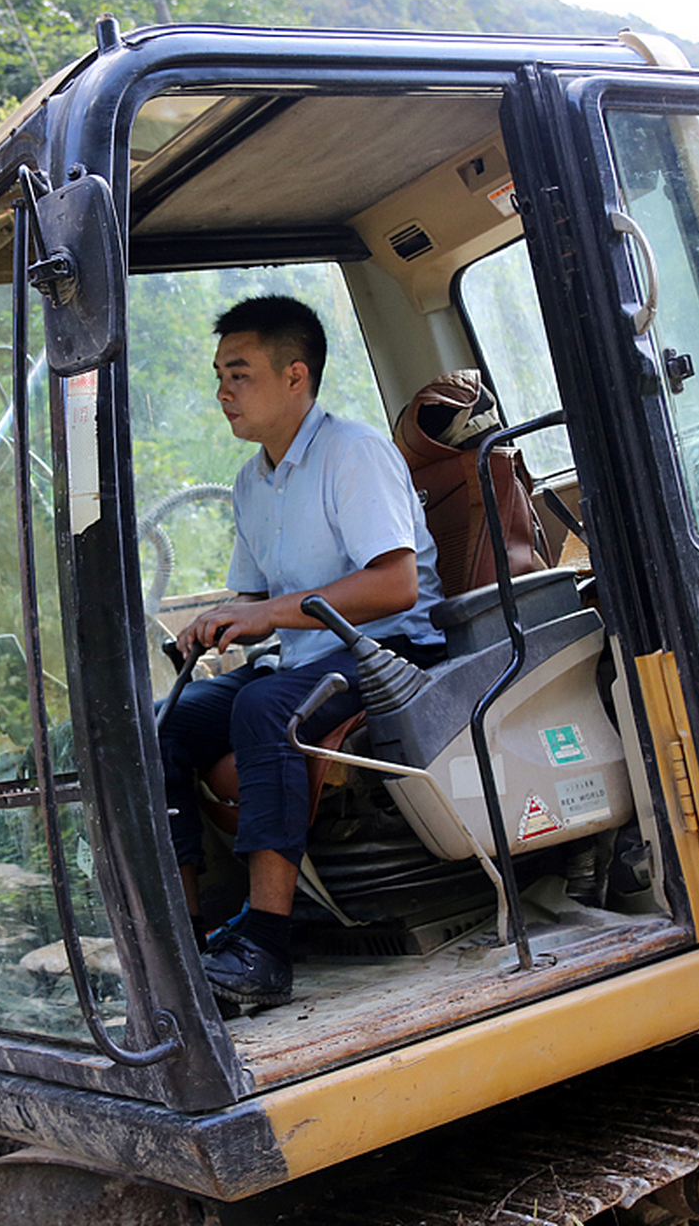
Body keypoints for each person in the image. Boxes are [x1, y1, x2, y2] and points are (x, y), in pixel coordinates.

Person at [160, 295, 444, 1008]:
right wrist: (221, 621)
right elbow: (259, 601)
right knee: (164, 722)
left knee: (264, 707)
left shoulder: (352, 452)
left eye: (238, 374)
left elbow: (395, 584)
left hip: (386, 653)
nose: (221, 392)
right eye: (218, 376)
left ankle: (265, 944)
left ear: (295, 377)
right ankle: (183, 934)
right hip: (303, 658)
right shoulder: (252, 482)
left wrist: (271, 618)